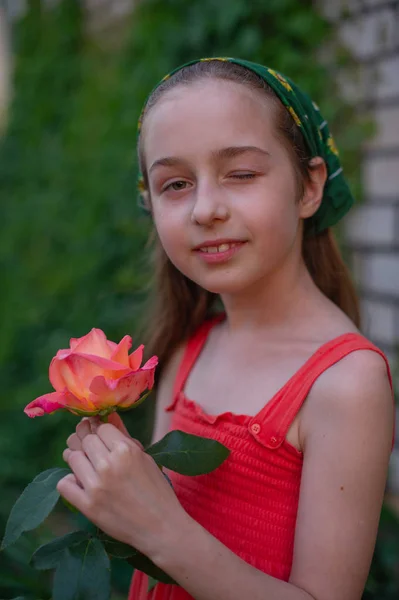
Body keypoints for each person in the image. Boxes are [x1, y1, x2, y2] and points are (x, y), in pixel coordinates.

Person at [57, 58, 395, 600]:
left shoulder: (345, 384)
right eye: (175, 184)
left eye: (240, 174)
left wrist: (160, 529)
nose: (206, 209)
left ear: (309, 187)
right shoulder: (188, 349)